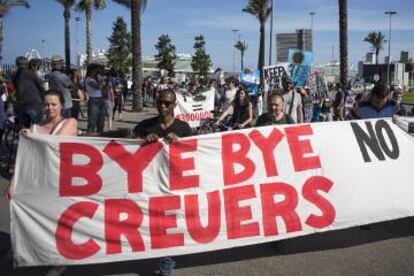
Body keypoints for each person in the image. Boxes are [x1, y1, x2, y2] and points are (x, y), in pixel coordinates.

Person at [132, 88, 191, 276]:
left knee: (169, 225)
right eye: (160, 103)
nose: (163, 106)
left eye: (168, 103)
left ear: (175, 105)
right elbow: (128, 143)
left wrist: (180, 142)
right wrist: (143, 140)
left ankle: (166, 264)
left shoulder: (183, 128)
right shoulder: (145, 125)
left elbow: (194, 152)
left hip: (174, 185)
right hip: (150, 184)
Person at [12, 56, 45, 128]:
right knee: (37, 127)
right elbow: (41, 87)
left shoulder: (13, 75)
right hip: (34, 104)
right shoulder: (32, 73)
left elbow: (15, 86)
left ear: (17, 64)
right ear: (27, 64)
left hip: (21, 104)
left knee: (23, 129)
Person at [84, 64, 106, 135]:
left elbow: (103, 87)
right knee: (93, 119)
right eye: (96, 70)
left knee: (101, 119)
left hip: (100, 99)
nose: (97, 72)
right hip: (93, 99)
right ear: (92, 70)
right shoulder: (88, 79)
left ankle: (100, 133)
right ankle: (90, 133)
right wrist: (102, 80)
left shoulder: (97, 78)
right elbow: (98, 87)